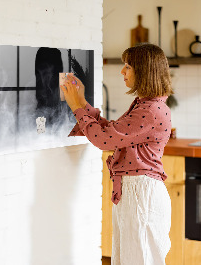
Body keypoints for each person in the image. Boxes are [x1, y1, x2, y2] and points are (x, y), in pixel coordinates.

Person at [61, 43, 173, 265]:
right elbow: (112, 132)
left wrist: (76, 107)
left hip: (141, 194)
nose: (122, 71)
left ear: (144, 71)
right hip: (136, 192)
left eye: (128, 66)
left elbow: (104, 140)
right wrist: (82, 102)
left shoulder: (150, 110)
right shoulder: (146, 105)